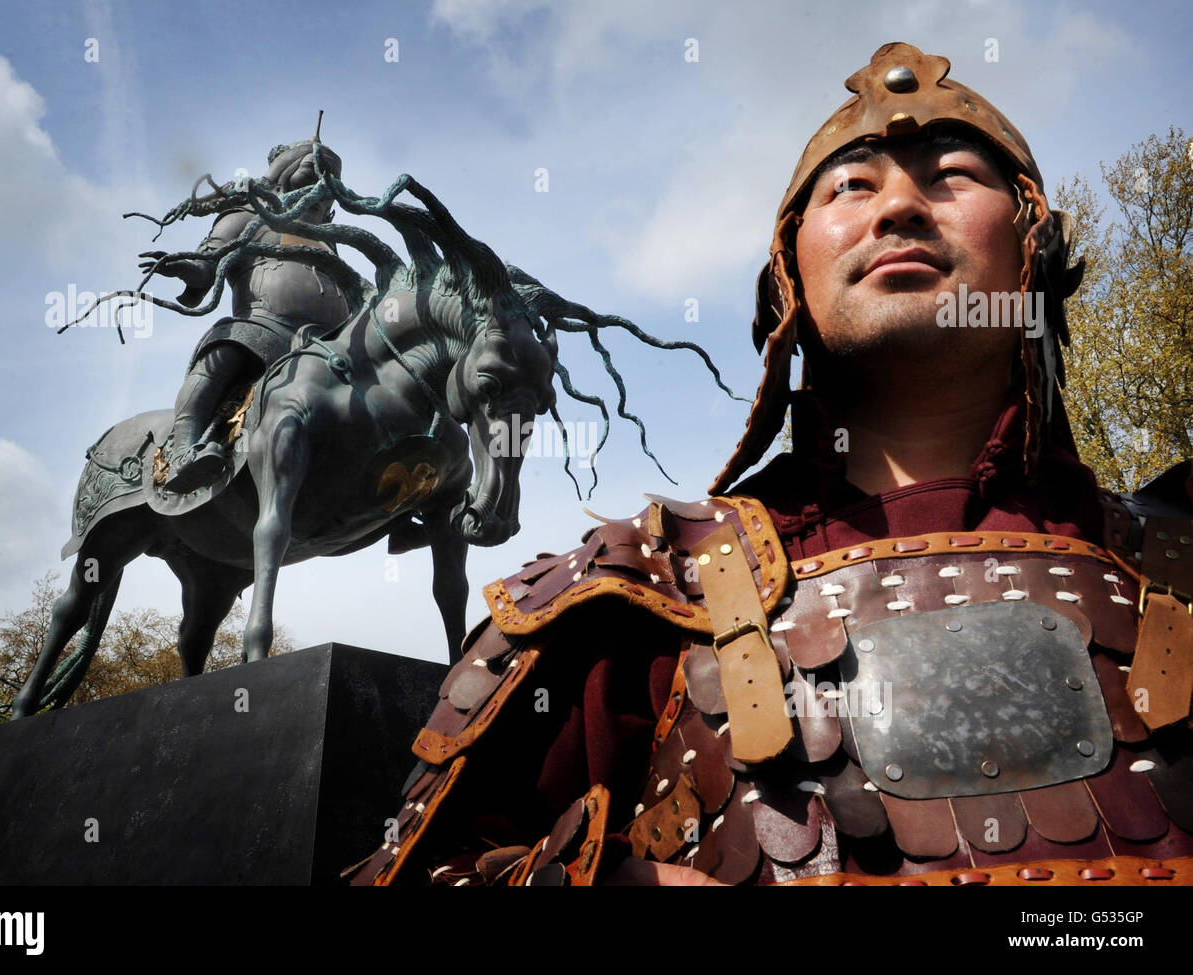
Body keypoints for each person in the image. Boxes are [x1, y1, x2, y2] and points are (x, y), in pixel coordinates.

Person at [349, 42, 1193, 886]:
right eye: (852, 188)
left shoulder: (1177, 562)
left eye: (953, 175)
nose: (899, 206)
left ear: (1035, 247)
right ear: (787, 279)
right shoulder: (633, 596)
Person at [145, 139, 352, 493]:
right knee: (226, 350)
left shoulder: (330, 242)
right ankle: (184, 451)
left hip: (330, 344)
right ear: (284, 176)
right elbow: (206, 263)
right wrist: (186, 268)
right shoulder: (250, 216)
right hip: (265, 327)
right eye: (312, 172)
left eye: (331, 180)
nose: (322, 185)